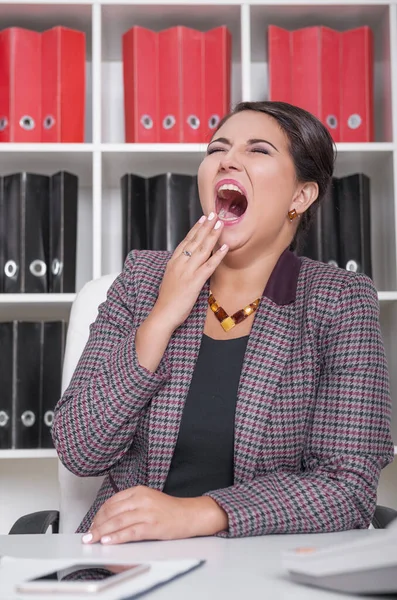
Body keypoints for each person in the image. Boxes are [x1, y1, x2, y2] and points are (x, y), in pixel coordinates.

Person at [52, 101, 394, 546]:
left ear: (300, 196)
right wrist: (162, 317)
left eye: (258, 150)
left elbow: (347, 488)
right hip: (130, 554)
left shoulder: (339, 301)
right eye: (217, 148)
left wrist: (197, 513)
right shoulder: (142, 279)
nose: (227, 160)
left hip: (267, 559)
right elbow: (80, 450)